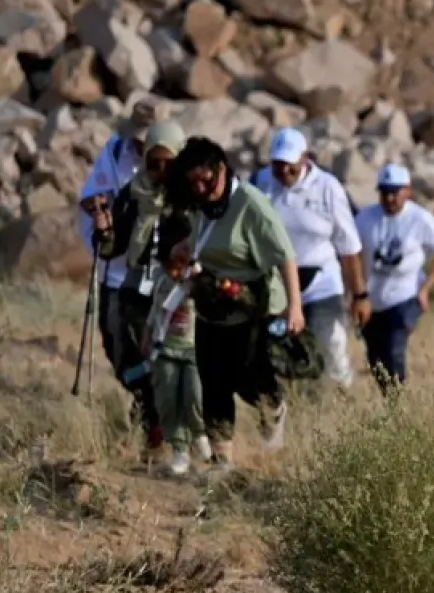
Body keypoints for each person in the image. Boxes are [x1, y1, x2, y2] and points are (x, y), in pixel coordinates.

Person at [163, 136, 305, 467]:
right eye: (194, 183)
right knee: (213, 382)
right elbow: (201, 239)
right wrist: (180, 250)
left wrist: (295, 307)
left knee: (245, 376)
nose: (201, 188)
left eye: (207, 180)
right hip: (210, 302)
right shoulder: (202, 206)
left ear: (221, 170)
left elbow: (285, 255)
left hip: (248, 303)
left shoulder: (251, 204)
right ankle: (222, 463)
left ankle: (273, 407)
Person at [85, 120, 186, 462]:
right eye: (153, 162)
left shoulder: (190, 195)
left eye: (167, 164)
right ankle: (147, 407)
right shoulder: (132, 193)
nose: (159, 171)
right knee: (122, 353)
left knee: (165, 360)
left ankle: (162, 432)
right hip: (134, 286)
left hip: (174, 288)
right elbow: (115, 246)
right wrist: (104, 231)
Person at [251, 128, 367, 389]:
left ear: (304, 159)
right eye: (277, 164)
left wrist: (359, 295)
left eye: (289, 164)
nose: (283, 171)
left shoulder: (328, 188)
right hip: (275, 287)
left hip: (321, 285)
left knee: (328, 350)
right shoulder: (259, 183)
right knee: (278, 359)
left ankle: (339, 403)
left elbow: (349, 247)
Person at [77, 98, 158, 445]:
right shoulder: (113, 153)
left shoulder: (172, 161)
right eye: (136, 139)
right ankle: (144, 397)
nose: (138, 146)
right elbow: (90, 195)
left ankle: (154, 416)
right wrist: (99, 213)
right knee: (116, 348)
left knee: (150, 347)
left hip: (155, 273)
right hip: (114, 271)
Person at [353, 163, 434, 393]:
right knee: (375, 358)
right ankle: (389, 401)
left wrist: (426, 288)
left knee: (394, 348)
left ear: (407, 191)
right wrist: (356, 292)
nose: (390, 198)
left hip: (406, 296)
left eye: (395, 192)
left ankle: (399, 404)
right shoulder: (365, 219)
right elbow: (352, 255)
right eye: (385, 192)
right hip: (373, 300)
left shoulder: (420, 219)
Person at [145, 210, 208, 477]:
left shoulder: (200, 275)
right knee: (169, 399)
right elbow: (154, 313)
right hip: (165, 349)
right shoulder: (159, 279)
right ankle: (180, 450)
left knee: (195, 396)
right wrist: (147, 340)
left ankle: (202, 434)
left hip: (194, 349)